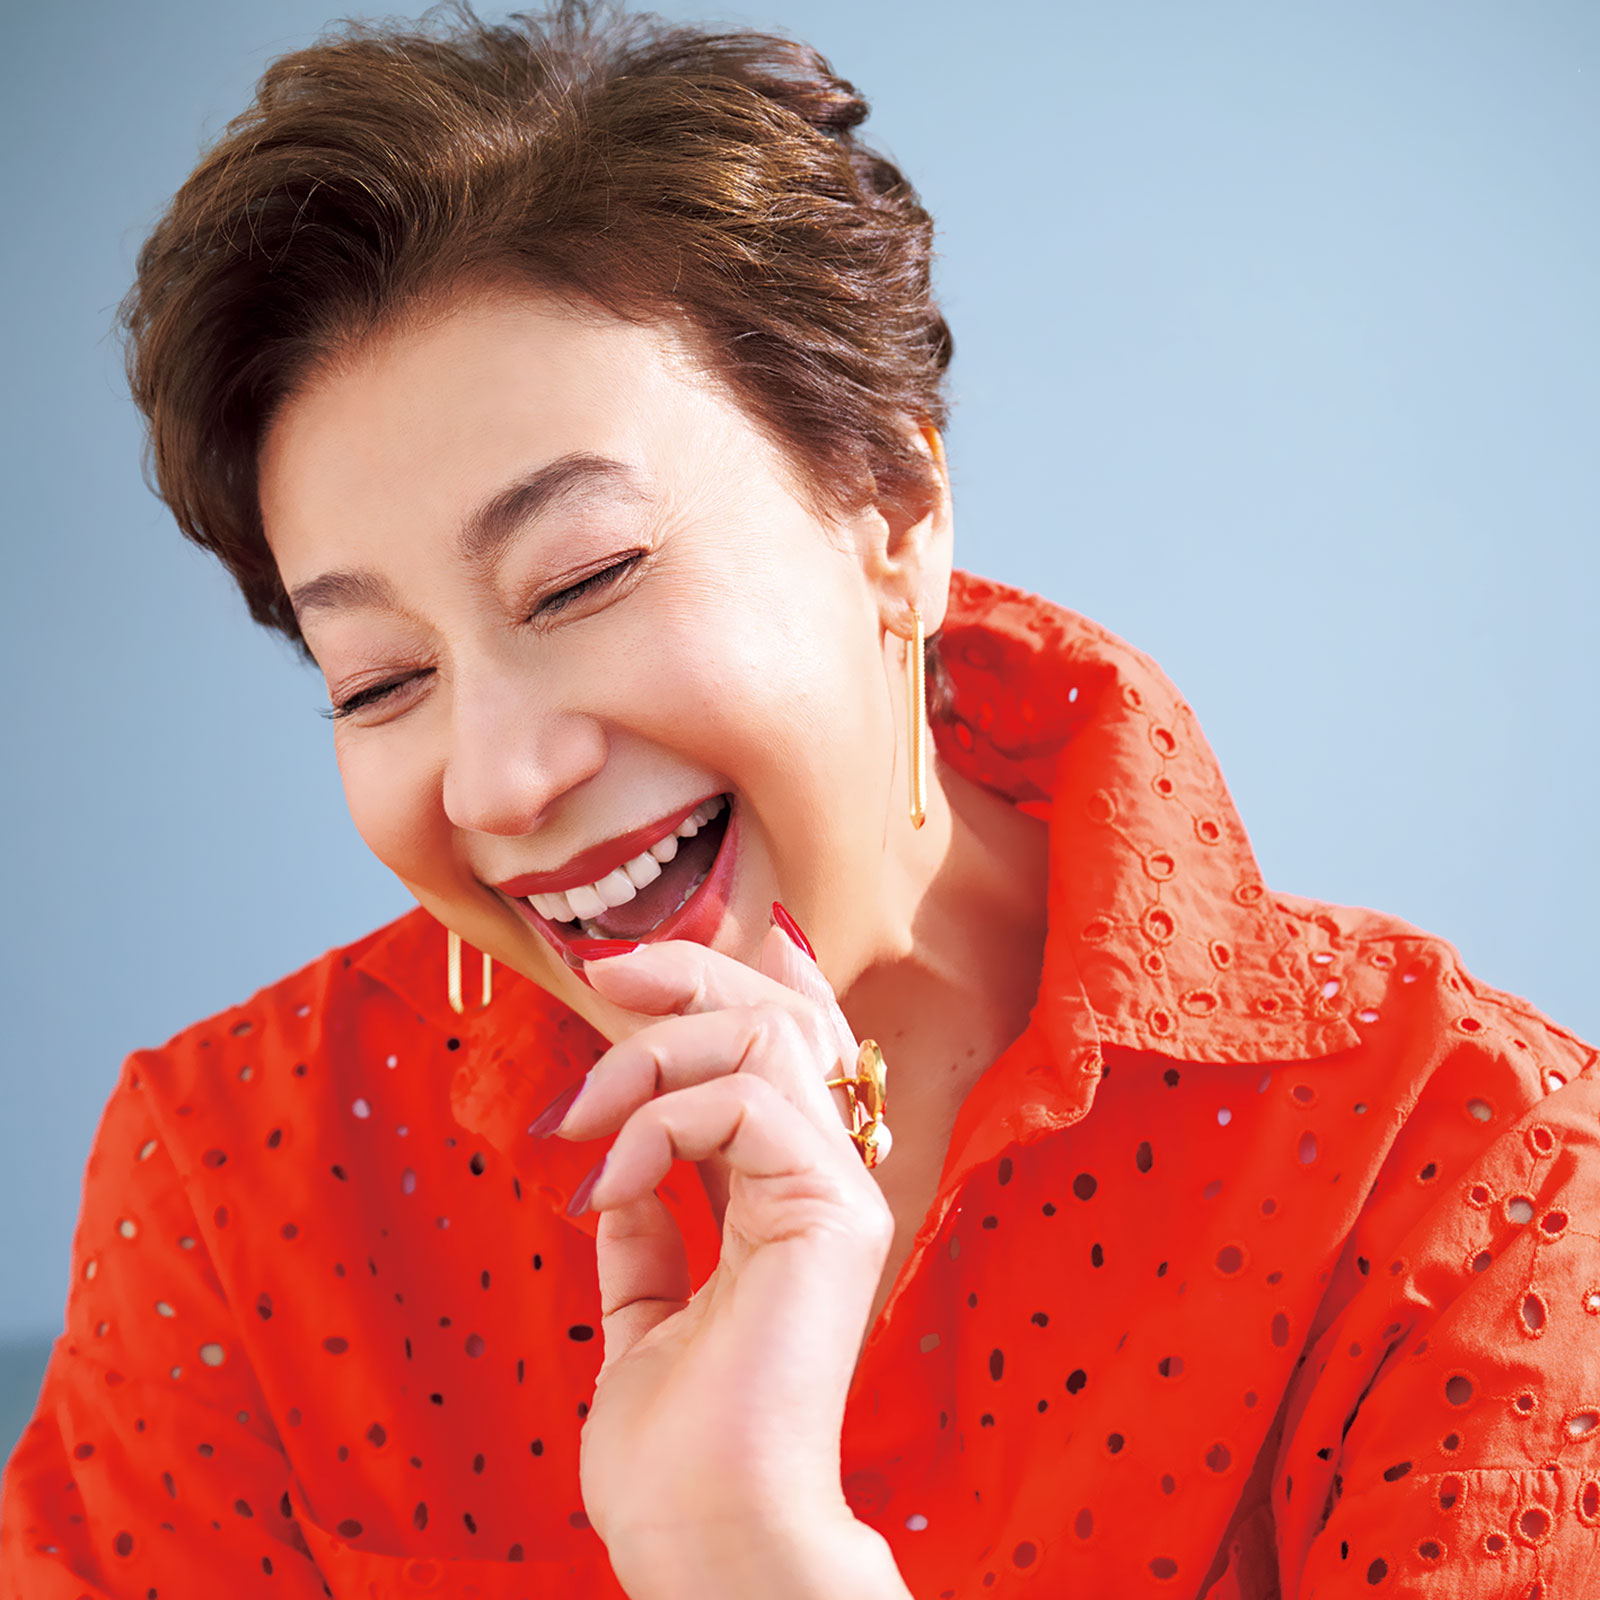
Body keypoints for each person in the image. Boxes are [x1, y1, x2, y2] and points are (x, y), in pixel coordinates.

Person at [3, 4, 1596, 1596]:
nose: (496, 779)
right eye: (378, 681)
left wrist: (751, 1558)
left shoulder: (1475, 1170)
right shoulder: (237, 1184)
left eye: (582, 579)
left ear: (894, 515)